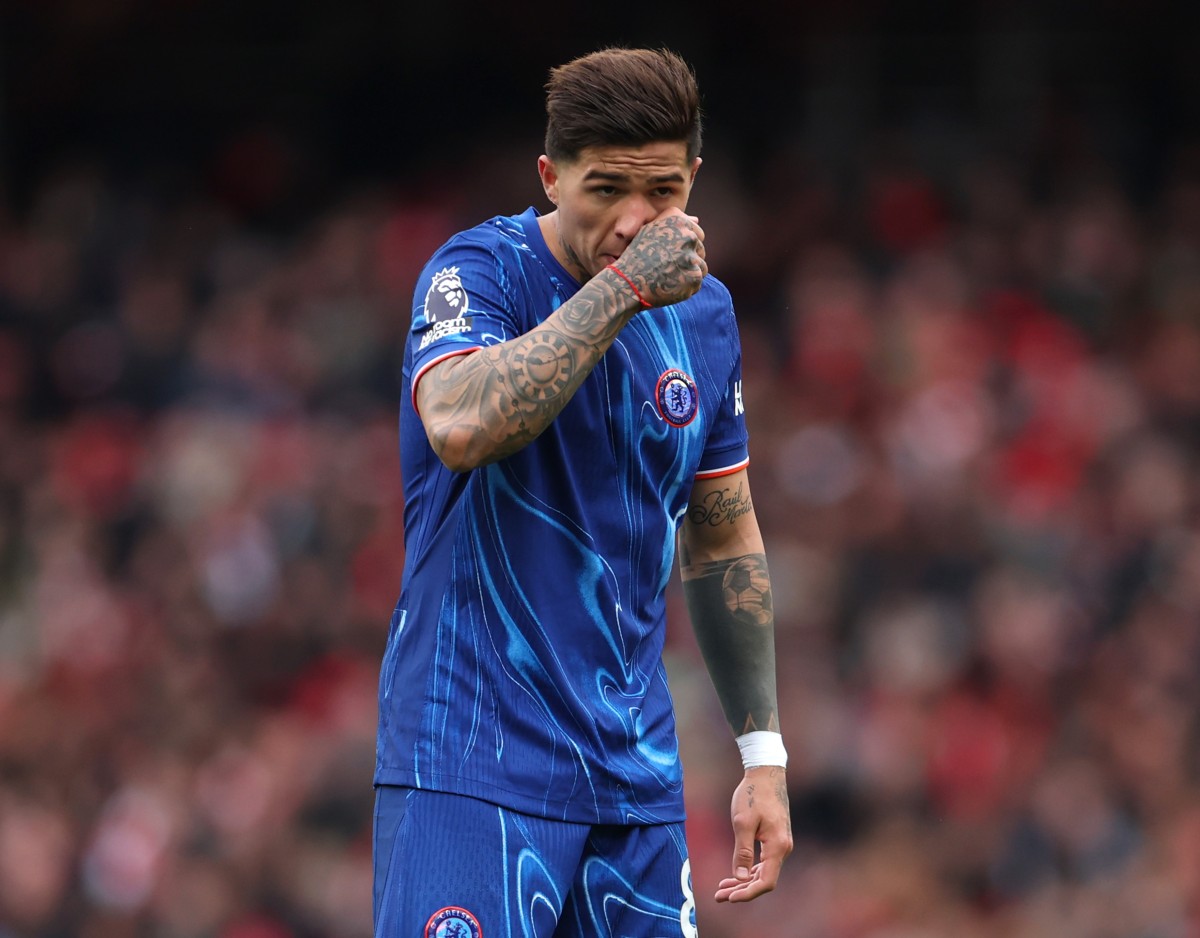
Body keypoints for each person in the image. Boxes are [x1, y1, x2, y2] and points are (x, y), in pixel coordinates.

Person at [373, 47, 792, 938]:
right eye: (605, 189)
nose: (637, 220)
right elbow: (458, 423)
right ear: (550, 176)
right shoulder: (479, 271)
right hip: (469, 766)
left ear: (695, 179)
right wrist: (626, 289)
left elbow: (721, 542)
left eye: (665, 194)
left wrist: (763, 754)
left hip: (632, 783)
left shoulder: (706, 317)